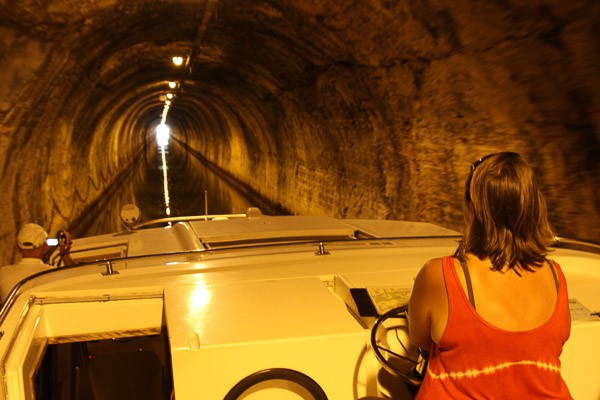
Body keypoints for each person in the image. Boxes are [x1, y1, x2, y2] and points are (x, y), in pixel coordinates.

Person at [408, 152, 572, 399]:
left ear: (473, 208)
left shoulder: (438, 273)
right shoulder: (556, 275)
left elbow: (419, 338)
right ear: (534, 206)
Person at [0, 223, 73, 304]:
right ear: (45, 247)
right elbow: (76, 281)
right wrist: (65, 254)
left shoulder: (3, 273)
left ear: (18, 248)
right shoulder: (52, 274)